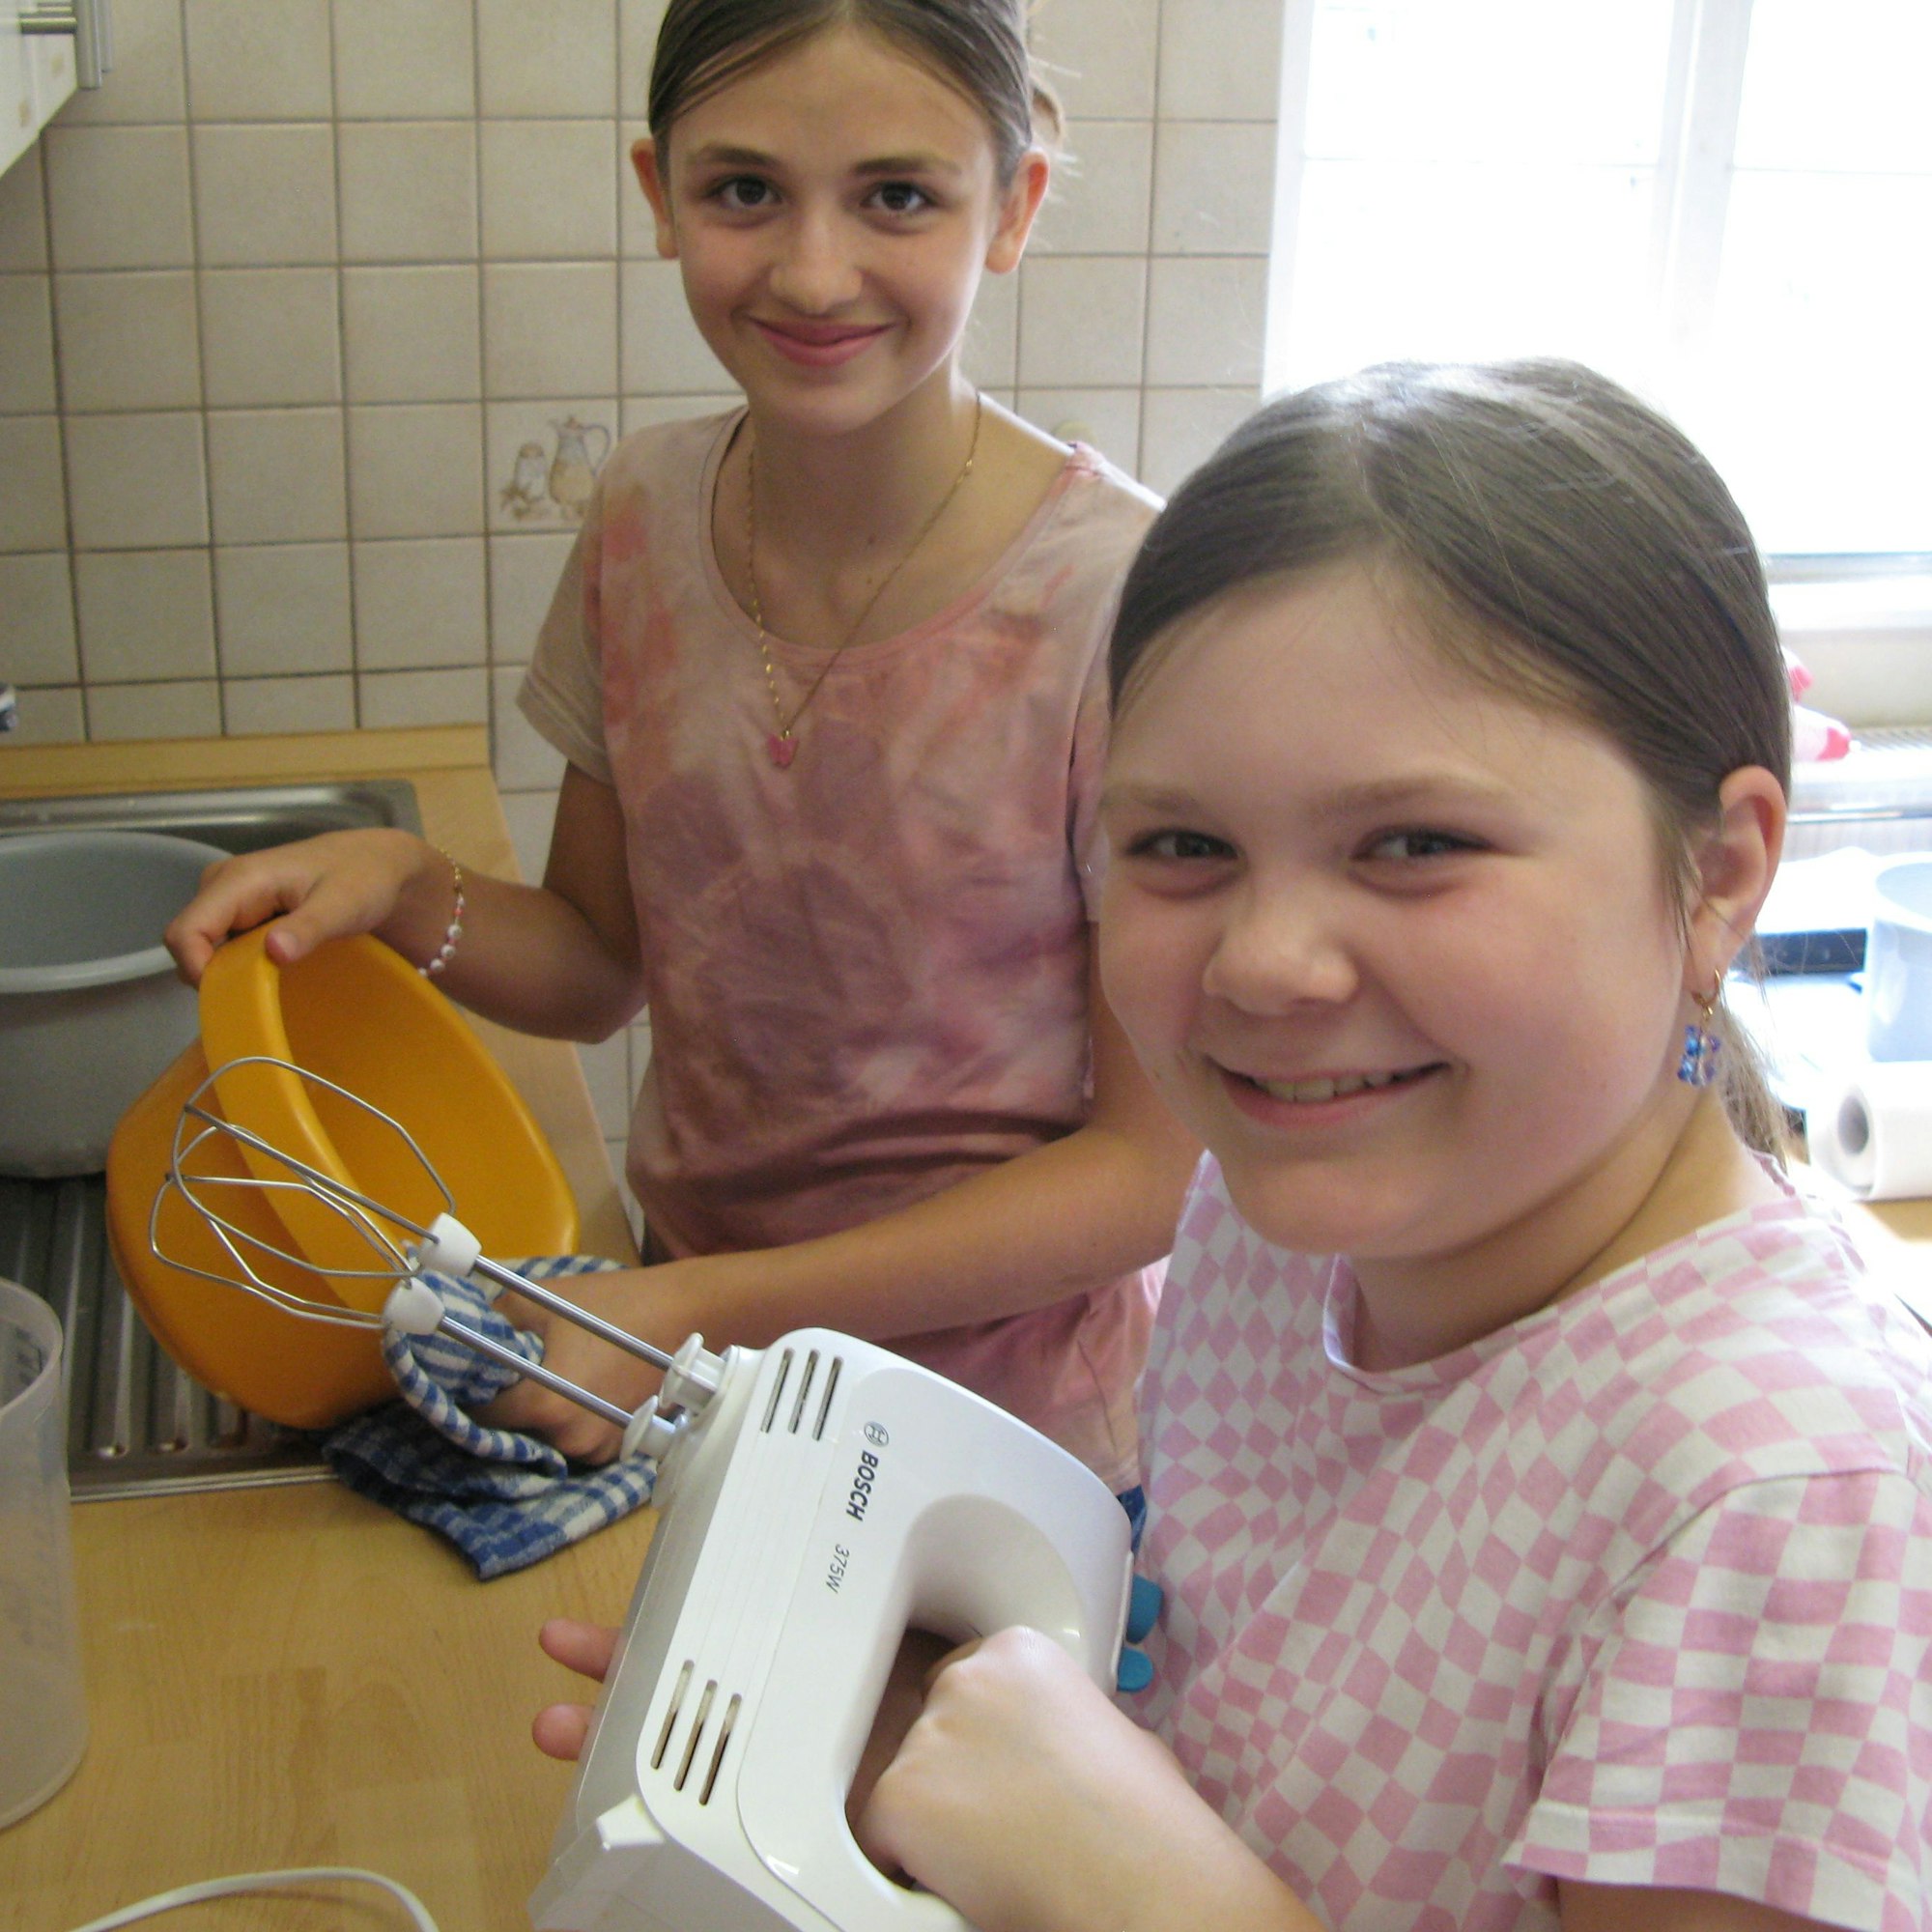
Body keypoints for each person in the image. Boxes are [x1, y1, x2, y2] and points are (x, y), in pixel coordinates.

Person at [539, 360, 1932, 1930]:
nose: (1265, 966)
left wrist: (1152, 1894)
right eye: (1183, 846)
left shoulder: (1782, 1497)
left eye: (1415, 845)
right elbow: (1256, 1763)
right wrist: (905, 1731)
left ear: (1723, 873)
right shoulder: (1270, 1230)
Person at [164, 0, 1199, 1496]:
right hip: (691, 1377)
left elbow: (1146, 1172)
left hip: (997, 1441)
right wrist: (404, 886)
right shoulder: (643, 518)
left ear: (1013, 206)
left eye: (897, 197)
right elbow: (600, 964)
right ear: (660, 194)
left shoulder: (1123, 600)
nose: (814, 271)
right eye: (745, 190)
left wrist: (696, 1310)